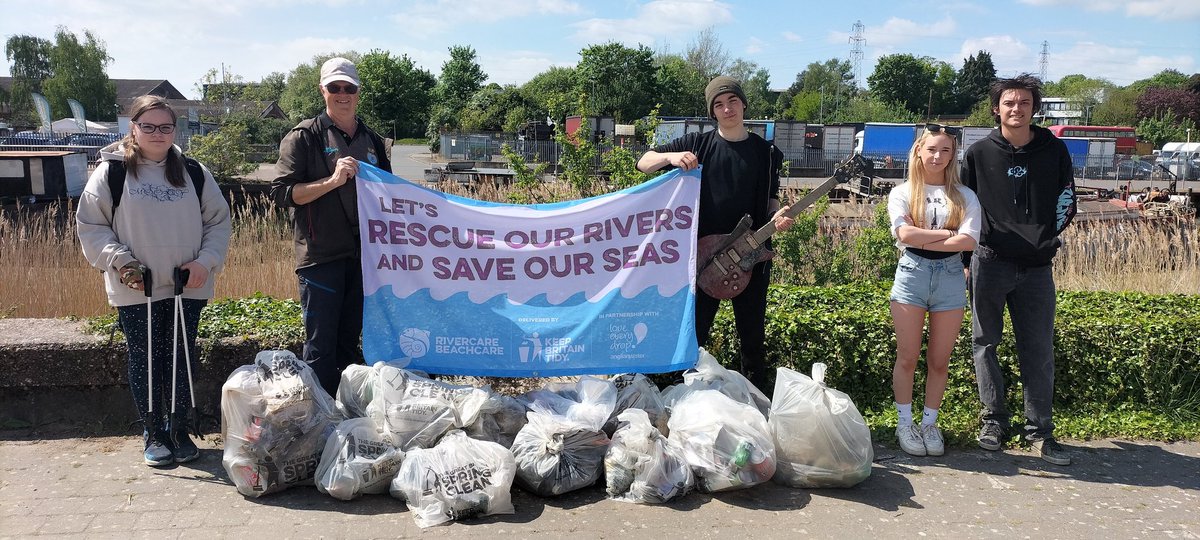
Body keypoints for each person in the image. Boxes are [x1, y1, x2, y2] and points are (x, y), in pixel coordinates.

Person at [77, 95, 232, 467]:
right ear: (133, 128)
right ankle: (153, 430)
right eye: (148, 126)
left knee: (180, 355)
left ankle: (178, 428)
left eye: (165, 127)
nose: (157, 134)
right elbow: (91, 225)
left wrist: (205, 262)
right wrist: (121, 262)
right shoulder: (111, 172)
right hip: (136, 285)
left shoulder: (193, 172)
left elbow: (218, 222)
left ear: (174, 130)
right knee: (145, 357)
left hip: (187, 283)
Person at [636, 76, 795, 395]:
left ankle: (757, 403)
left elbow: (770, 199)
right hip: (704, 258)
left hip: (752, 256)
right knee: (695, 333)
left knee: (752, 338)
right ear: (713, 111)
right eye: (719, 104)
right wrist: (671, 158)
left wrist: (778, 217)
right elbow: (643, 163)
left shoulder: (766, 153)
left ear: (743, 104)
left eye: (732, 101)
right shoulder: (697, 144)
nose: (727, 109)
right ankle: (682, 399)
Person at [961, 74, 1077, 465]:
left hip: (1037, 268)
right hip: (989, 261)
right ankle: (993, 421)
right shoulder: (978, 153)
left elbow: (1067, 201)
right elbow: (965, 210)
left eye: (1024, 103)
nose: (1016, 109)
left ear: (1034, 108)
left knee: (1039, 348)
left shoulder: (1054, 150)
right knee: (985, 344)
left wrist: (1042, 237)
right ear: (997, 109)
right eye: (1009, 103)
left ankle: (1039, 432)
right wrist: (966, 260)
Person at [270, 57, 392, 396]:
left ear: (358, 92)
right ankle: (320, 422)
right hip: (320, 257)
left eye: (349, 88)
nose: (342, 94)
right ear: (322, 90)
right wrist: (332, 181)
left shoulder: (373, 141)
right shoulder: (302, 137)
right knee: (321, 347)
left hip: (364, 258)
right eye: (335, 87)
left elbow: (390, 194)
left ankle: (350, 416)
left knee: (351, 345)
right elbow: (281, 193)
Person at [886, 124, 981, 457]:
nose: (938, 156)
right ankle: (904, 422)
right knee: (908, 357)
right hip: (912, 273)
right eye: (932, 149)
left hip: (952, 276)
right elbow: (905, 237)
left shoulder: (965, 196)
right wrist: (946, 234)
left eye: (946, 150)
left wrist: (921, 232)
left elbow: (968, 241)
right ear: (919, 151)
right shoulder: (902, 192)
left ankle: (929, 423)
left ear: (953, 155)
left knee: (939, 361)